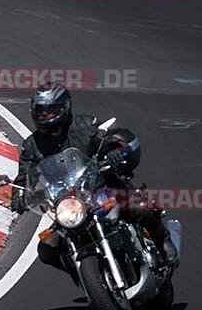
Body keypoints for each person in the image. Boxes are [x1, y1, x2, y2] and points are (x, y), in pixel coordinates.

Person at [11, 82, 177, 278]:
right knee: (46, 248)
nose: (44, 115)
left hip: (103, 189)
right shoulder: (32, 145)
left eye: (50, 110)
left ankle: (163, 241)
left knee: (140, 207)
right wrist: (19, 194)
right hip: (68, 204)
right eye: (40, 111)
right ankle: (84, 276)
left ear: (64, 107)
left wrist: (115, 149)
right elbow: (24, 174)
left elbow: (109, 139)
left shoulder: (85, 125)